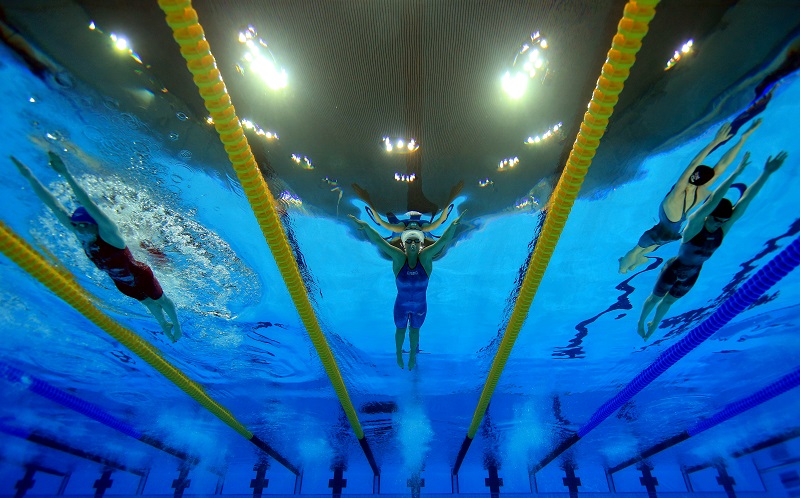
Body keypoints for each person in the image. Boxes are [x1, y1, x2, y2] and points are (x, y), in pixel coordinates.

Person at [11, 152, 183, 342]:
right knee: (149, 304)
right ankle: (164, 326)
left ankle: (176, 324)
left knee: (161, 301)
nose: (80, 230)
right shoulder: (80, 233)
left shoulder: (110, 234)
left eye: (84, 225)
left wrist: (66, 174)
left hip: (140, 275)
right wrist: (29, 176)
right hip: (121, 283)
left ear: (94, 224)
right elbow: (54, 206)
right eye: (77, 225)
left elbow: (89, 205)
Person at [637, 150, 788, 340]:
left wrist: (766, 173)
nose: (720, 223)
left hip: (693, 274)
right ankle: (641, 321)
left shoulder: (722, 229)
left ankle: (653, 325)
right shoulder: (694, 226)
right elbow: (713, 201)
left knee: (667, 304)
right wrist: (736, 174)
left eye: (724, 220)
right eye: (717, 219)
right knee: (655, 299)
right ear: (708, 215)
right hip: (674, 269)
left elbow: (746, 200)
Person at [619, 119, 762, 274]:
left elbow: (693, 163)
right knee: (650, 248)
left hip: (659, 230)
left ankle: (624, 267)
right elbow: (722, 165)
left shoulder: (679, 191)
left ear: (693, 175)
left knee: (634, 250)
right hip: (673, 230)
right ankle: (637, 262)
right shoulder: (701, 192)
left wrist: (715, 142)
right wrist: (743, 139)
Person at [349, 211, 464, 370]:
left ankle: (411, 356)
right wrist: (367, 227)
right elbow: (379, 242)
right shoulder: (398, 258)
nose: (412, 244)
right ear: (403, 244)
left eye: (416, 241)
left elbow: (443, 241)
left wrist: (453, 226)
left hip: (420, 307)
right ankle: (398, 354)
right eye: (409, 240)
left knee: (414, 331)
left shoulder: (425, 258)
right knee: (400, 330)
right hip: (401, 306)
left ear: (421, 244)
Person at [352, 180, 463, 235]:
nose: (412, 226)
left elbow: (380, 222)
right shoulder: (425, 228)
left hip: (399, 227)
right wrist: (452, 196)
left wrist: (366, 198)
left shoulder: (400, 228)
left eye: (410, 228)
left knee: (390, 218)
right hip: (420, 225)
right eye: (415, 228)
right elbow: (442, 219)